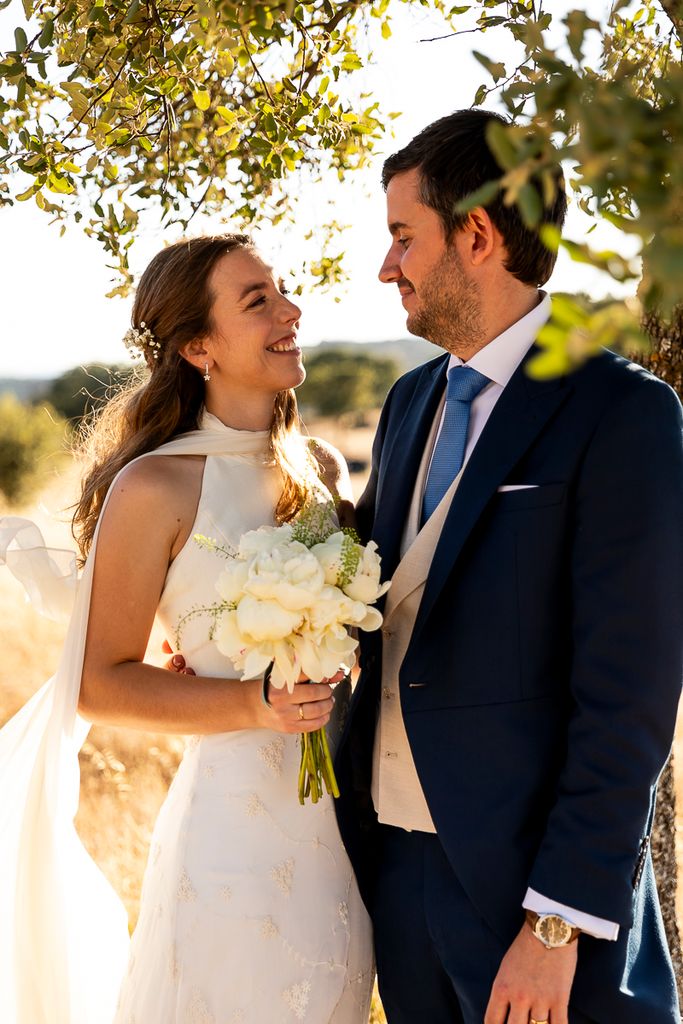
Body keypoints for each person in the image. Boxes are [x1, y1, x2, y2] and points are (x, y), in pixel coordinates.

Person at [334, 109, 683, 1024]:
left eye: (402, 239)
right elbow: (380, 600)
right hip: (398, 880)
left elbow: (629, 697)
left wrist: (556, 923)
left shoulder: (621, 412)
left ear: (477, 235)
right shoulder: (410, 401)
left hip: (534, 905)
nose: (385, 267)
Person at [0, 235, 373, 1024]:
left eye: (282, 291)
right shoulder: (155, 485)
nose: (289, 311)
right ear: (197, 346)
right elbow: (100, 683)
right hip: (233, 843)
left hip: (348, 832)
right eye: (257, 301)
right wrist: (253, 706)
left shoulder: (321, 472)